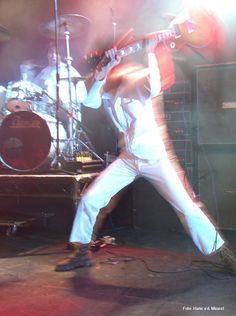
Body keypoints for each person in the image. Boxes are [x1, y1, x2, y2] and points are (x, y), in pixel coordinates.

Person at [55, 36, 236, 274]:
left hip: (155, 159)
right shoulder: (106, 89)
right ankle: (81, 252)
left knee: (188, 208)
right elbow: (89, 102)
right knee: (90, 198)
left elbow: (154, 85)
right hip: (128, 160)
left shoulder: (135, 81)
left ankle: (224, 254)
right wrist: (105, 68)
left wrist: (151, 50)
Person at [34, 43, 87, 133]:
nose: (53, 55)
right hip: (47, 110)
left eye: (56, 53)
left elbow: (82, 95)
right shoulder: (44, 72)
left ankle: (71, 143)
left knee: (70, 113)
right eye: (50, 52)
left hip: (65, 108)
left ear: (60, 55)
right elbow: (34, 89)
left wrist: (64, 101)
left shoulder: (69, 70)